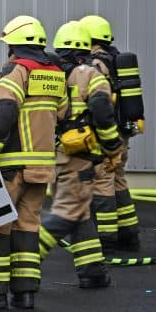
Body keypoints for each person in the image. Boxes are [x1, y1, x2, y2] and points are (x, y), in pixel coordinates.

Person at [0, 15, 66, 310]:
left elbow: (4, 112)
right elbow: (63, 113)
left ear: (14, 45)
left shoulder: (15, 71)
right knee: (27, 225)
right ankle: (24, 292)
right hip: (42, 166)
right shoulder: (55, 72)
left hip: (10, 165)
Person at [37, 21, 122, 289]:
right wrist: (112, 148)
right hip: (80, 156)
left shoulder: (48, 73)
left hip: (52, 153)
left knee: (80, 212)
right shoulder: (90, 75)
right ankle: (23, 262)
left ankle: (92, 271)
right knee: (69, 212)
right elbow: (102, 112)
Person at [79, 14, 142, 251]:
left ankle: (106, 240)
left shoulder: (95, 65)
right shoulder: (116, 60)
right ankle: (129, 234)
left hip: (106, 133)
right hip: (122, 132)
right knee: (118, 179)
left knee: (102, 180)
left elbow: (98, 102)